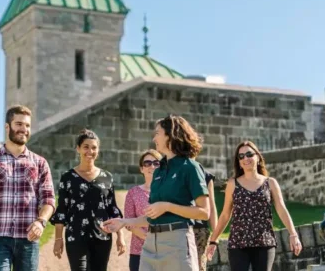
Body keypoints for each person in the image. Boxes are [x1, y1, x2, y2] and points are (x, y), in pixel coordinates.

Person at [103, 114, 210, 271]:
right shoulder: (159, 171)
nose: (154, 138)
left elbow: (204, 212)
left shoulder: (190, 167)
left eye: (158, 133)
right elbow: (153, 214)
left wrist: (167, 206)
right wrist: (125, 222)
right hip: (150, 244)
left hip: (177, 242)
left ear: (170, 135)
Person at [0, 105, 56, 271]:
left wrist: (41, 221)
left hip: (29, 240)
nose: (24, 129)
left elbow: (49, 199)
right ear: (7, 127)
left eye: (27, 125)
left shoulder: (40, 163)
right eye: (19, 124)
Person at [205, 141, 302, 271]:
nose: (245, 158)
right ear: (239, 162)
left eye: (249, 154)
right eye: (241, 156)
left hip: (264, 242)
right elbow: (225, 214)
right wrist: (213, 240)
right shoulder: (232, 184)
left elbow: (281, 209)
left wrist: (293, 234)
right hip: (238, 243)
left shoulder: (270, 183)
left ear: (257, 157)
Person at [51, 129, 127, 271]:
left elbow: (112, 208)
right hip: (75, 237)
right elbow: (61, 210)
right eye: (86, 147)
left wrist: (120, 236)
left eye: (94, 147)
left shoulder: (107, 177)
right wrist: (58, 239)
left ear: (98, 150)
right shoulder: (67, 177)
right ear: (78, 149)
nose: (90, 151)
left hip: (102, 236)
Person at [123, 149, 163, 271]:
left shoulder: (168, 192)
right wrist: (147, 238)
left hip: (165, 251)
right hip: (139, 251)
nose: (152, 166)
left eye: (156, 163)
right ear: (141, 169)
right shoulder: (133, 193)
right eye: (147, 163)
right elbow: (128, 221)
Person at [192, 164, 218, 271]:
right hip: (177, 229)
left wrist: (215, 239)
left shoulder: (205, 174)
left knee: (199, 268)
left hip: (199, 231)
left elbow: (212, 206)